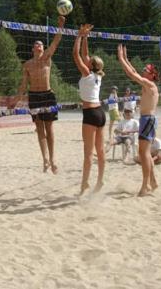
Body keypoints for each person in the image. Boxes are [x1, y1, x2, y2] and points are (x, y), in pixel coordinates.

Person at [9, 15, 66, 174]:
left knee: (50, 129)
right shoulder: (27, 64)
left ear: (43, 48)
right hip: (34, 96)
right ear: (33, 49)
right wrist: (16, 100)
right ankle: (45, 160)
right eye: (37, 44)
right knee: (39, 129)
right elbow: (23, 85)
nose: (39, 45)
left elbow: (56, 42)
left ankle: (53, 159)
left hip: (47, 95)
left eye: (41, 44)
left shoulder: (47, 58)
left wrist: (60, 26)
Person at [117, 44, 160, 196]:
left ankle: (145, 185)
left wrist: (121, 59)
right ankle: (153, 182)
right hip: (147, 120)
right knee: (145, 153)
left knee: (143, 153)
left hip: (148, 120)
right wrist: (127, 59)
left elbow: (132, 74)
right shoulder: (147, 84)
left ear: (151, 74)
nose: (142, 71)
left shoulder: (150, 84)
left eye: (145, 70)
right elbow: (134, 72)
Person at [72, 23, 106, 195]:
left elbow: (76, 55)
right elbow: (85, 54)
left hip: (90, 114)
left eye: (89, 59)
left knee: (88, 153)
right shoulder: (96, 74)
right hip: (101, 113)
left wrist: (78, 35)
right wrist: (86, 36)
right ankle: (100, 181)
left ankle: (85, 183)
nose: (87, 57)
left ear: (90, 64)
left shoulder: (86, 73)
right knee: (100, 151)